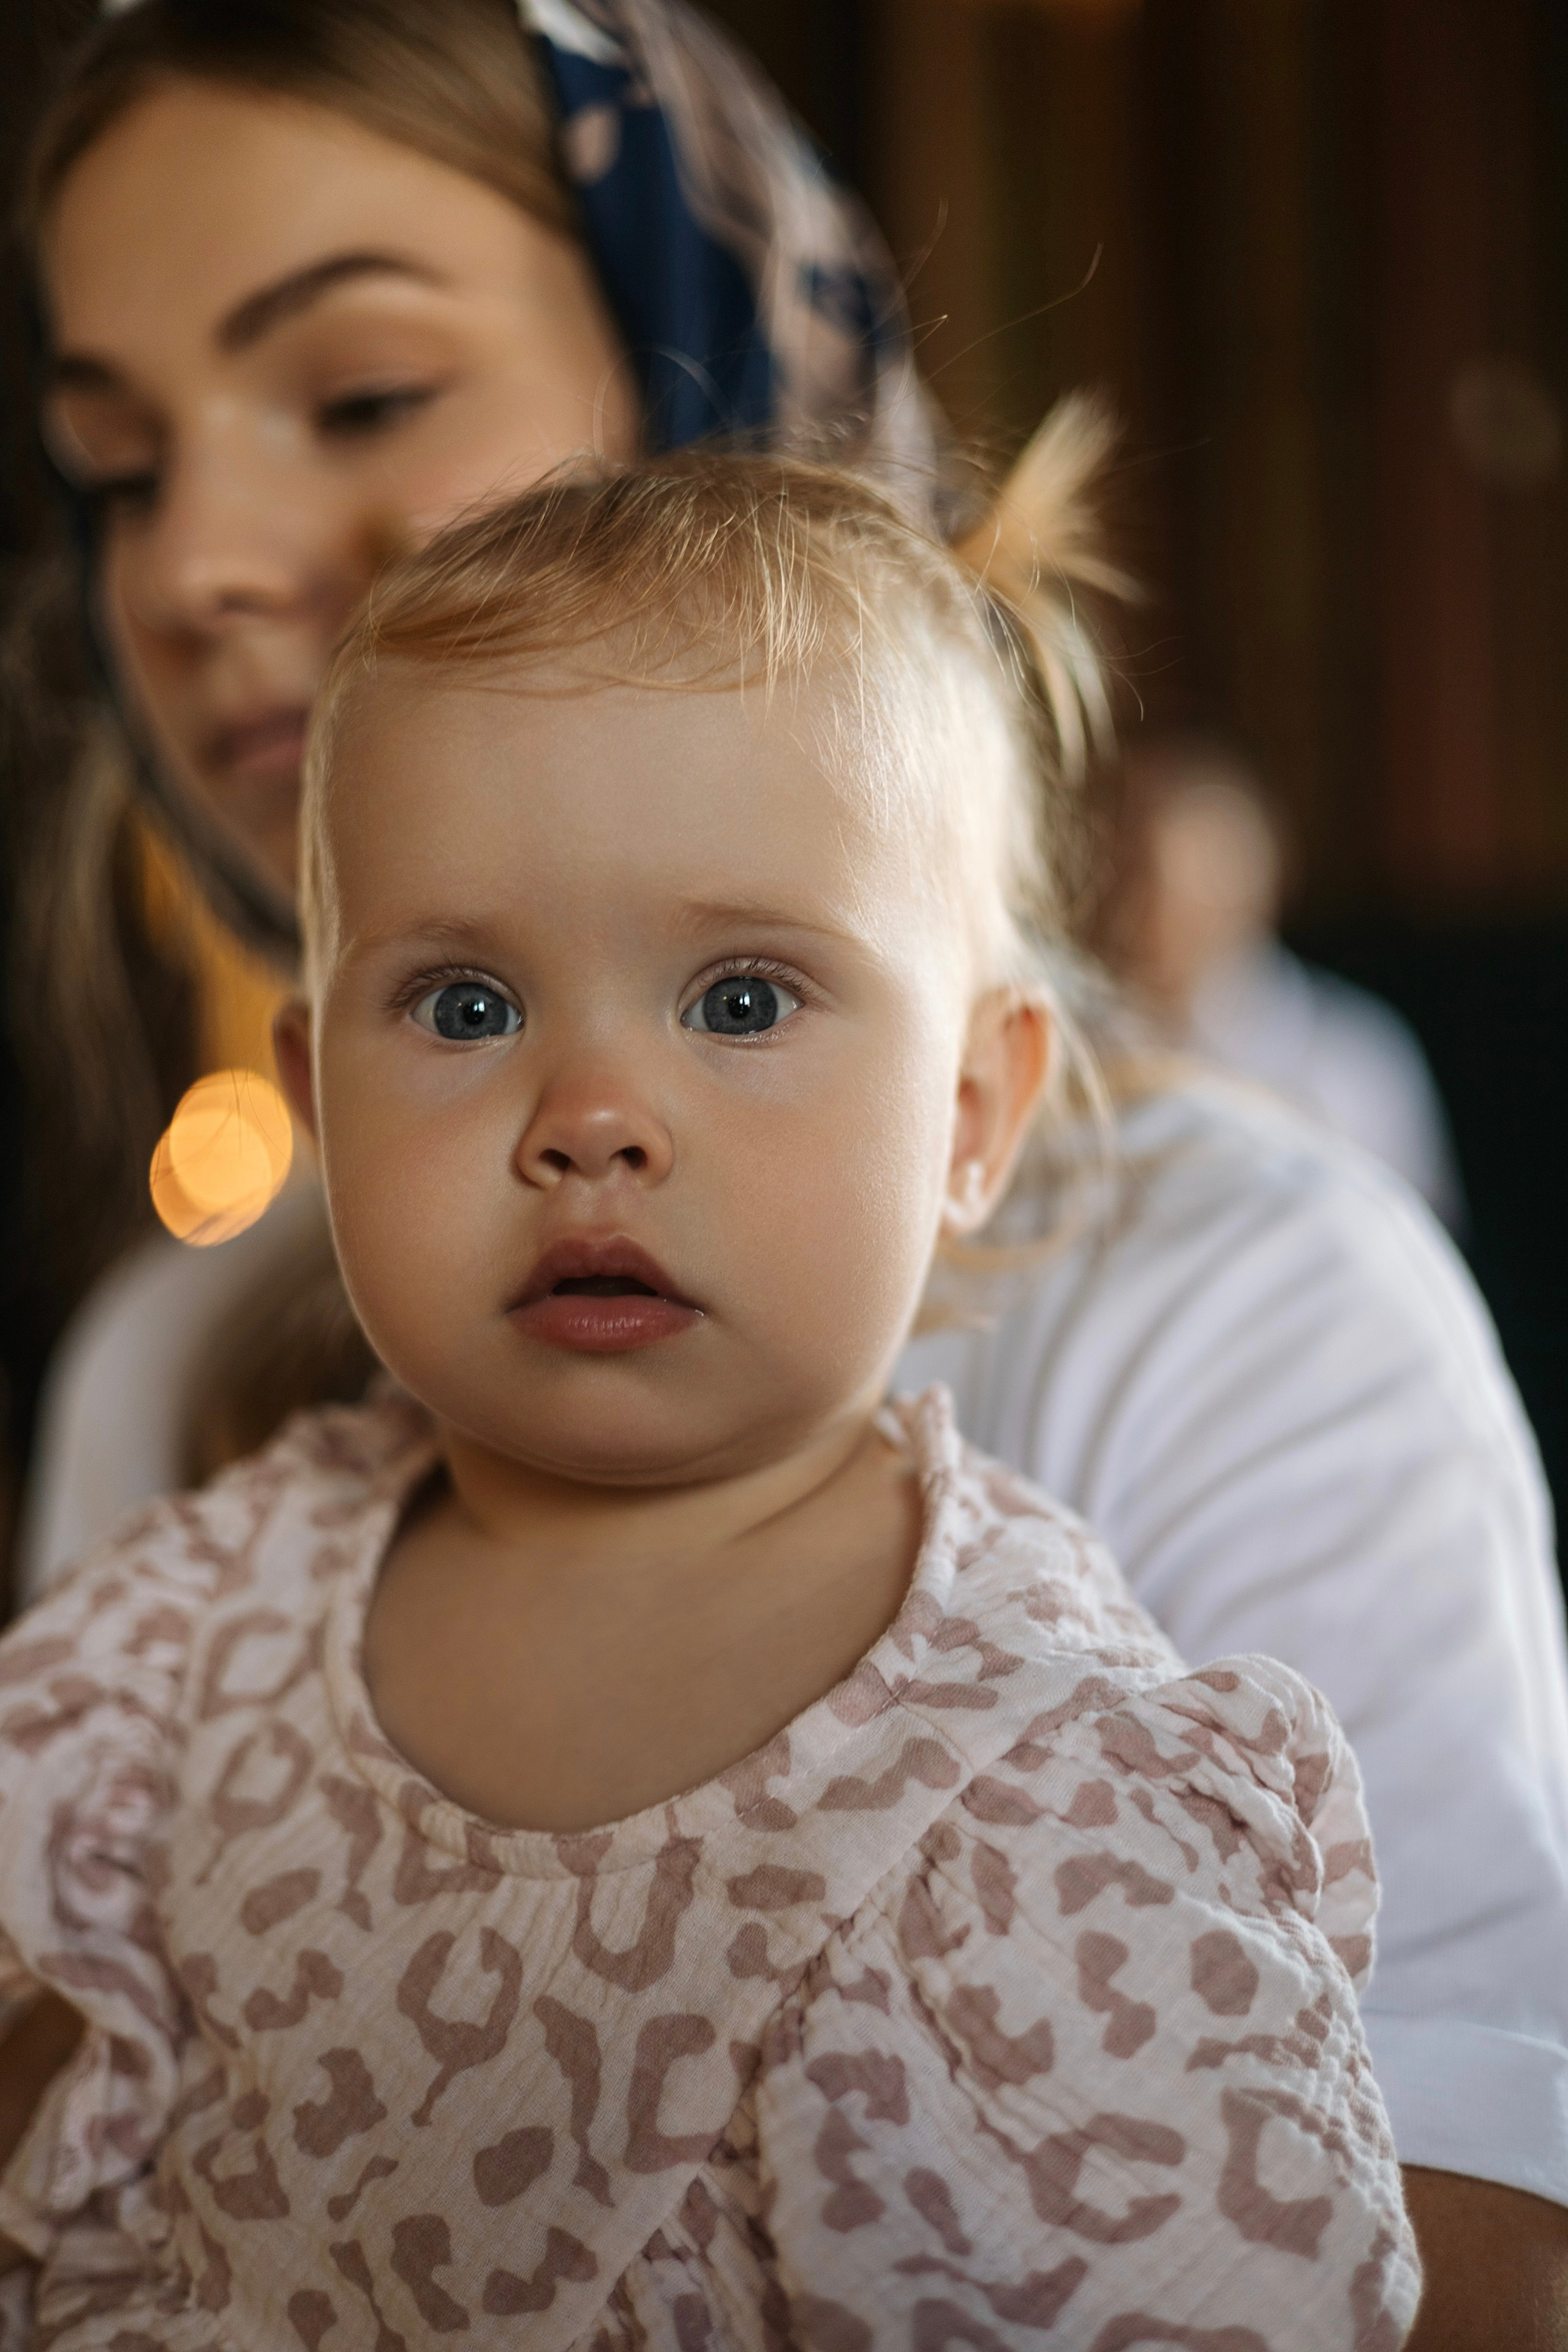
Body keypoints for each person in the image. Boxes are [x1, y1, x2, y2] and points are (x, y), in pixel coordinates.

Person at [3, 3, 1566, 2339]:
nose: (200, 557)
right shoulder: (171, 1403)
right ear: (325, 1077)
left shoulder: (1218, 1340)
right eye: (117, 466)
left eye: (357, 394)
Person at [1097, 734, 1464, 1227]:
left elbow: (1414, 1248)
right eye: (1132, 875)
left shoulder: (1352, 1061)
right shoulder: (1084, 1056)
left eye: (1197, 874)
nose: (1143, 910)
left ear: (1263, 875)